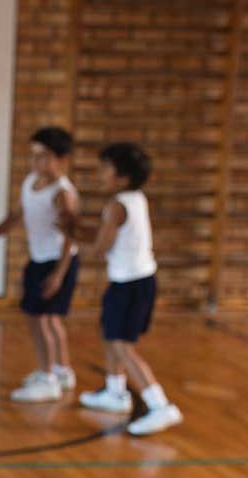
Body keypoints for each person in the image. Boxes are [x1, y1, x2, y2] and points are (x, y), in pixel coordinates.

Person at [75, 141, 184, 435]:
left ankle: (160, 405)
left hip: (130, 285)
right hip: (136, 281)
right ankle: (114, 391)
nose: (99, 174)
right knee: (110, 337)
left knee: (122, 346)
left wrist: (74, 235)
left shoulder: (116, 206)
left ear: (121, 178)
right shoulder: (136, 198)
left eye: (105, 169)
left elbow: (100, 247)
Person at [0, 127, 81, 403]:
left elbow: (71, 236)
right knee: (48, 318)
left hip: (56, 262)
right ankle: (61, 370)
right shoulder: (31, 182)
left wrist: (59, 274)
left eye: (43, 157)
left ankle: (48, 379)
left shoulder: (63, 194)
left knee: (38, 318)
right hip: (39, 259)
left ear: (61, 159)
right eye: (33, 156)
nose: (35, 163)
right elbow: (16, 216)